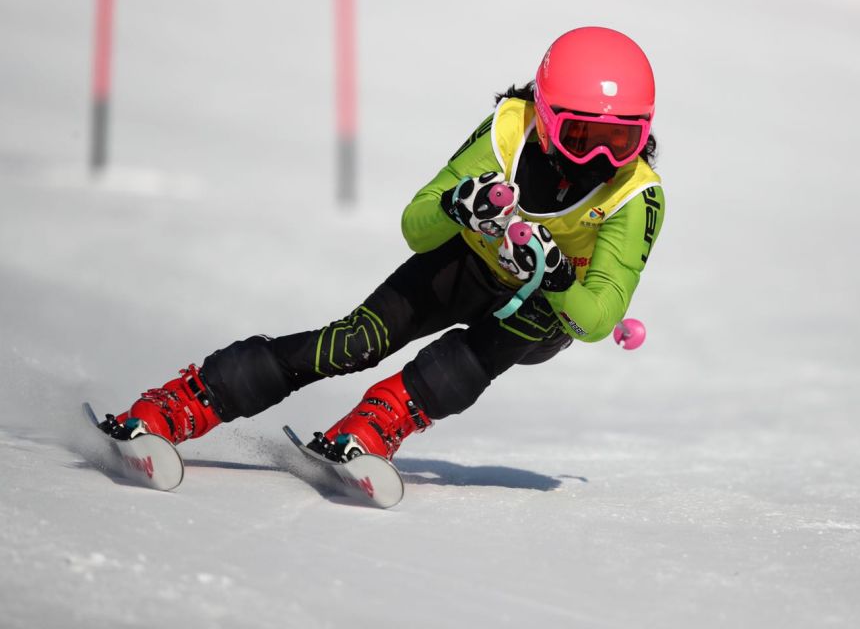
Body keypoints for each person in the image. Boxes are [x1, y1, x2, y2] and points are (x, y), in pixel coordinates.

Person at [98, 26, 666, 463]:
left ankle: (379, 421)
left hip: (548, 310)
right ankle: (188, 399)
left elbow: (596, 319)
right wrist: (457, 205)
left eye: (622, 141)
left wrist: (557, 274)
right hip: (470, 263)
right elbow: (416, 226)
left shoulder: (635, 194)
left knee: (470, 359)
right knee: (354, 342)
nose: (599, 159)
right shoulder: (507, 131)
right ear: (543, 116)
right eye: (580, 137)